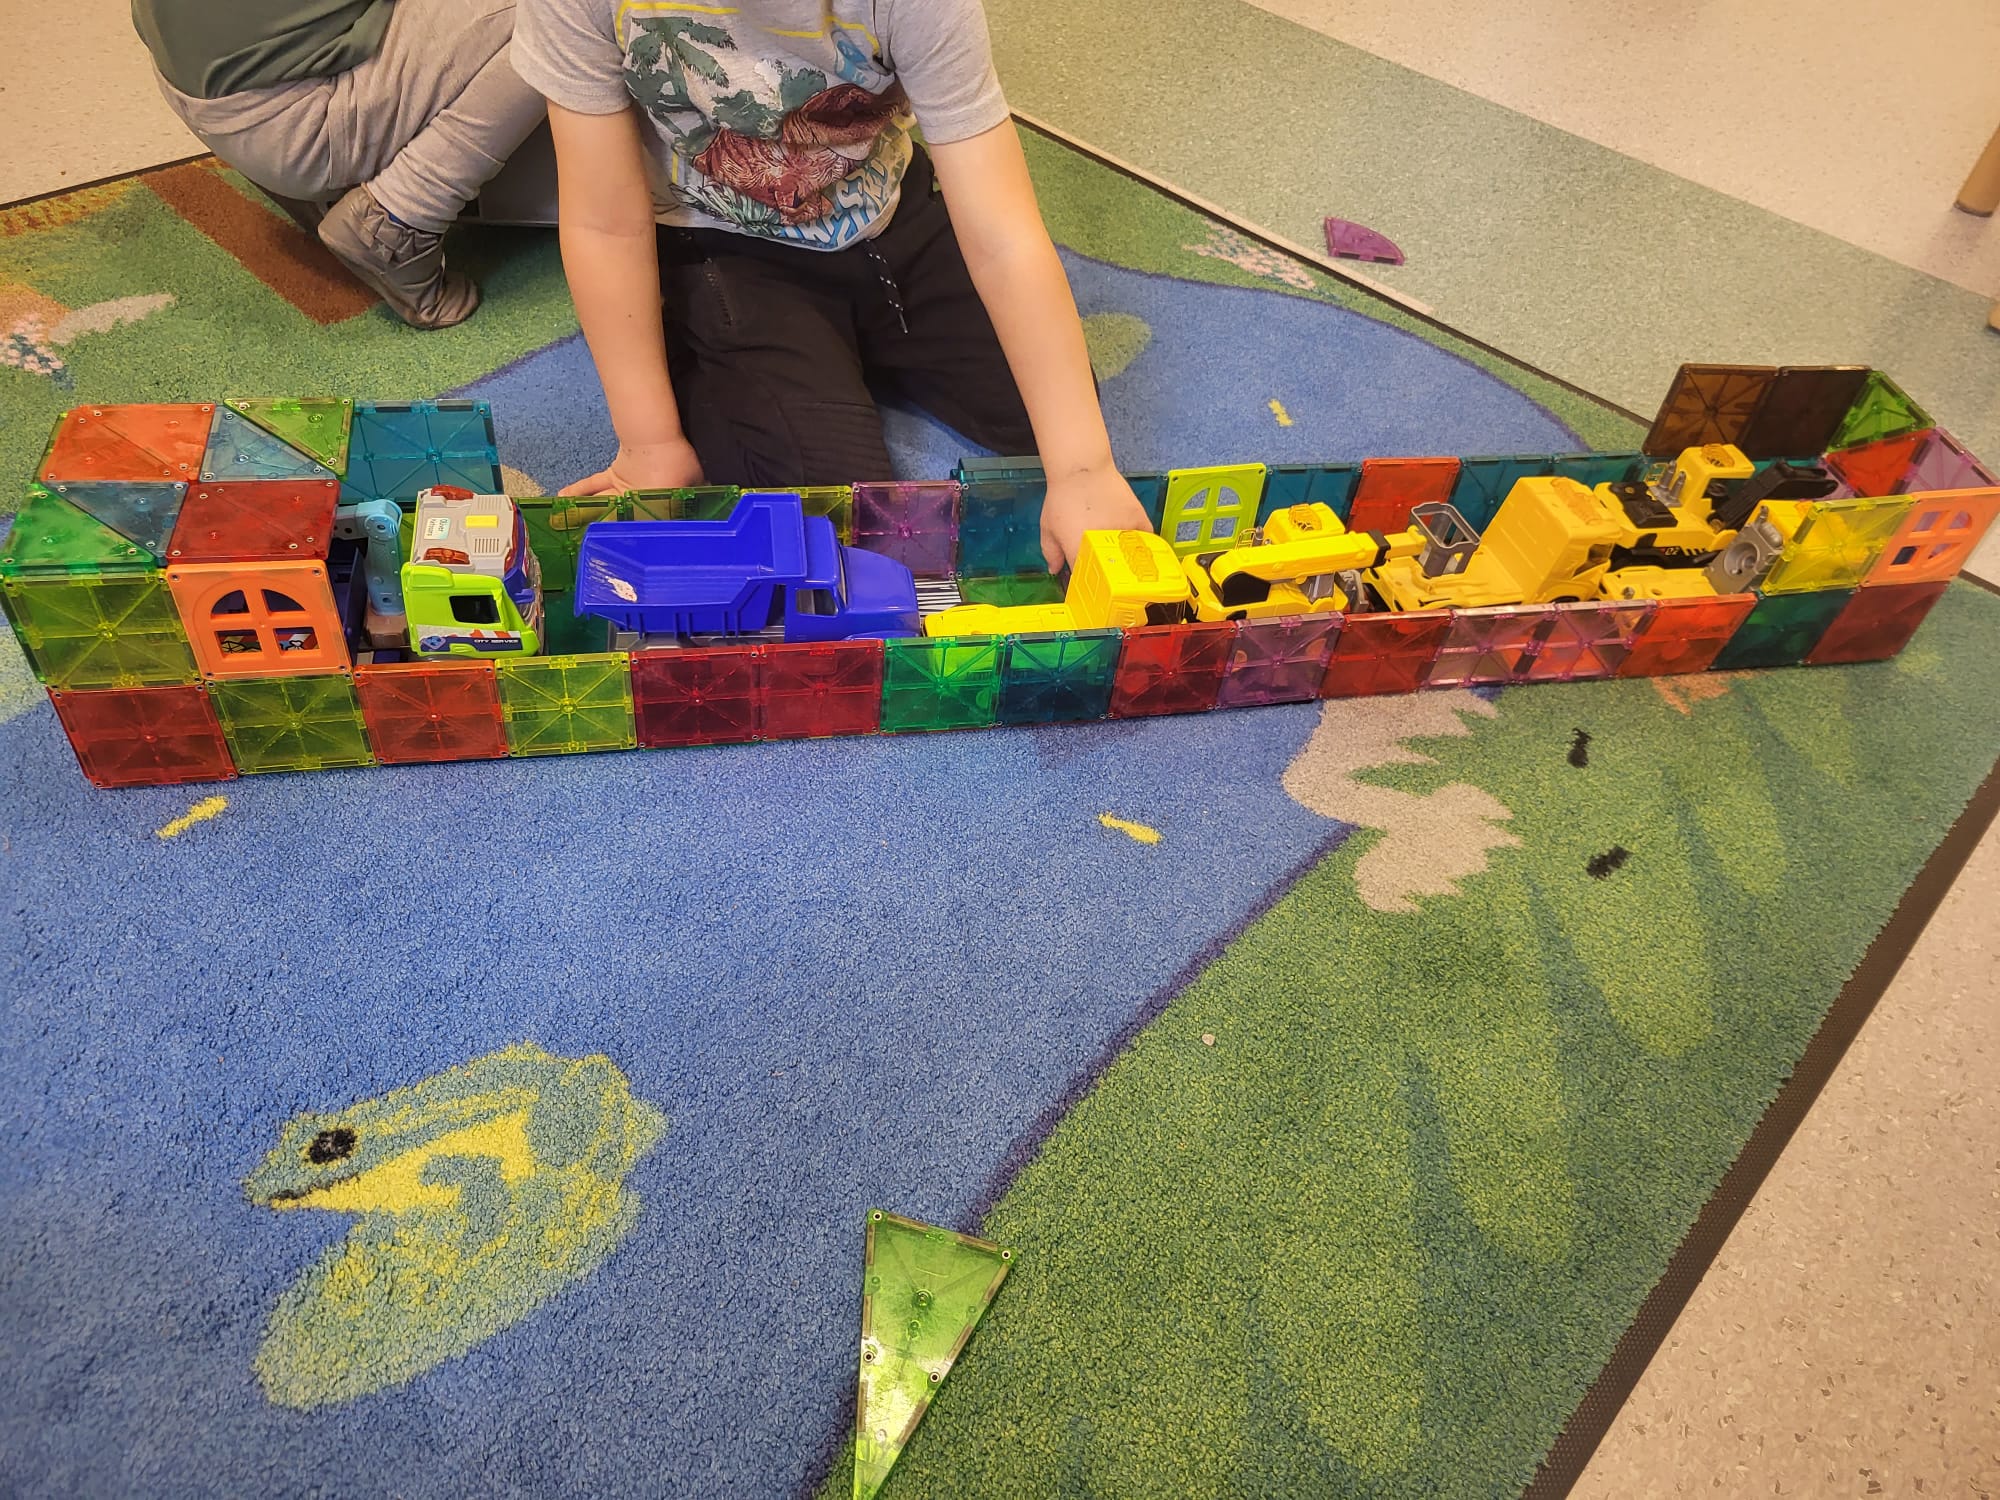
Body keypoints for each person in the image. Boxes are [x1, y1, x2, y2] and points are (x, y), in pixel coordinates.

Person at [512, 0, 1150, 572]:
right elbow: (604, 225)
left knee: (1047, 413)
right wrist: (650, 442)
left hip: (891, 219)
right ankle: (740, 360)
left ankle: (843, 352)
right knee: (827, 516)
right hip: (729, 249)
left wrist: (1082, 468)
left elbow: (1002, 237)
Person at [134, 0, 548, 329]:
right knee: (562, 16)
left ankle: (325, 191)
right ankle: (398, 219)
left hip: (197, 81)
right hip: (289, 121)